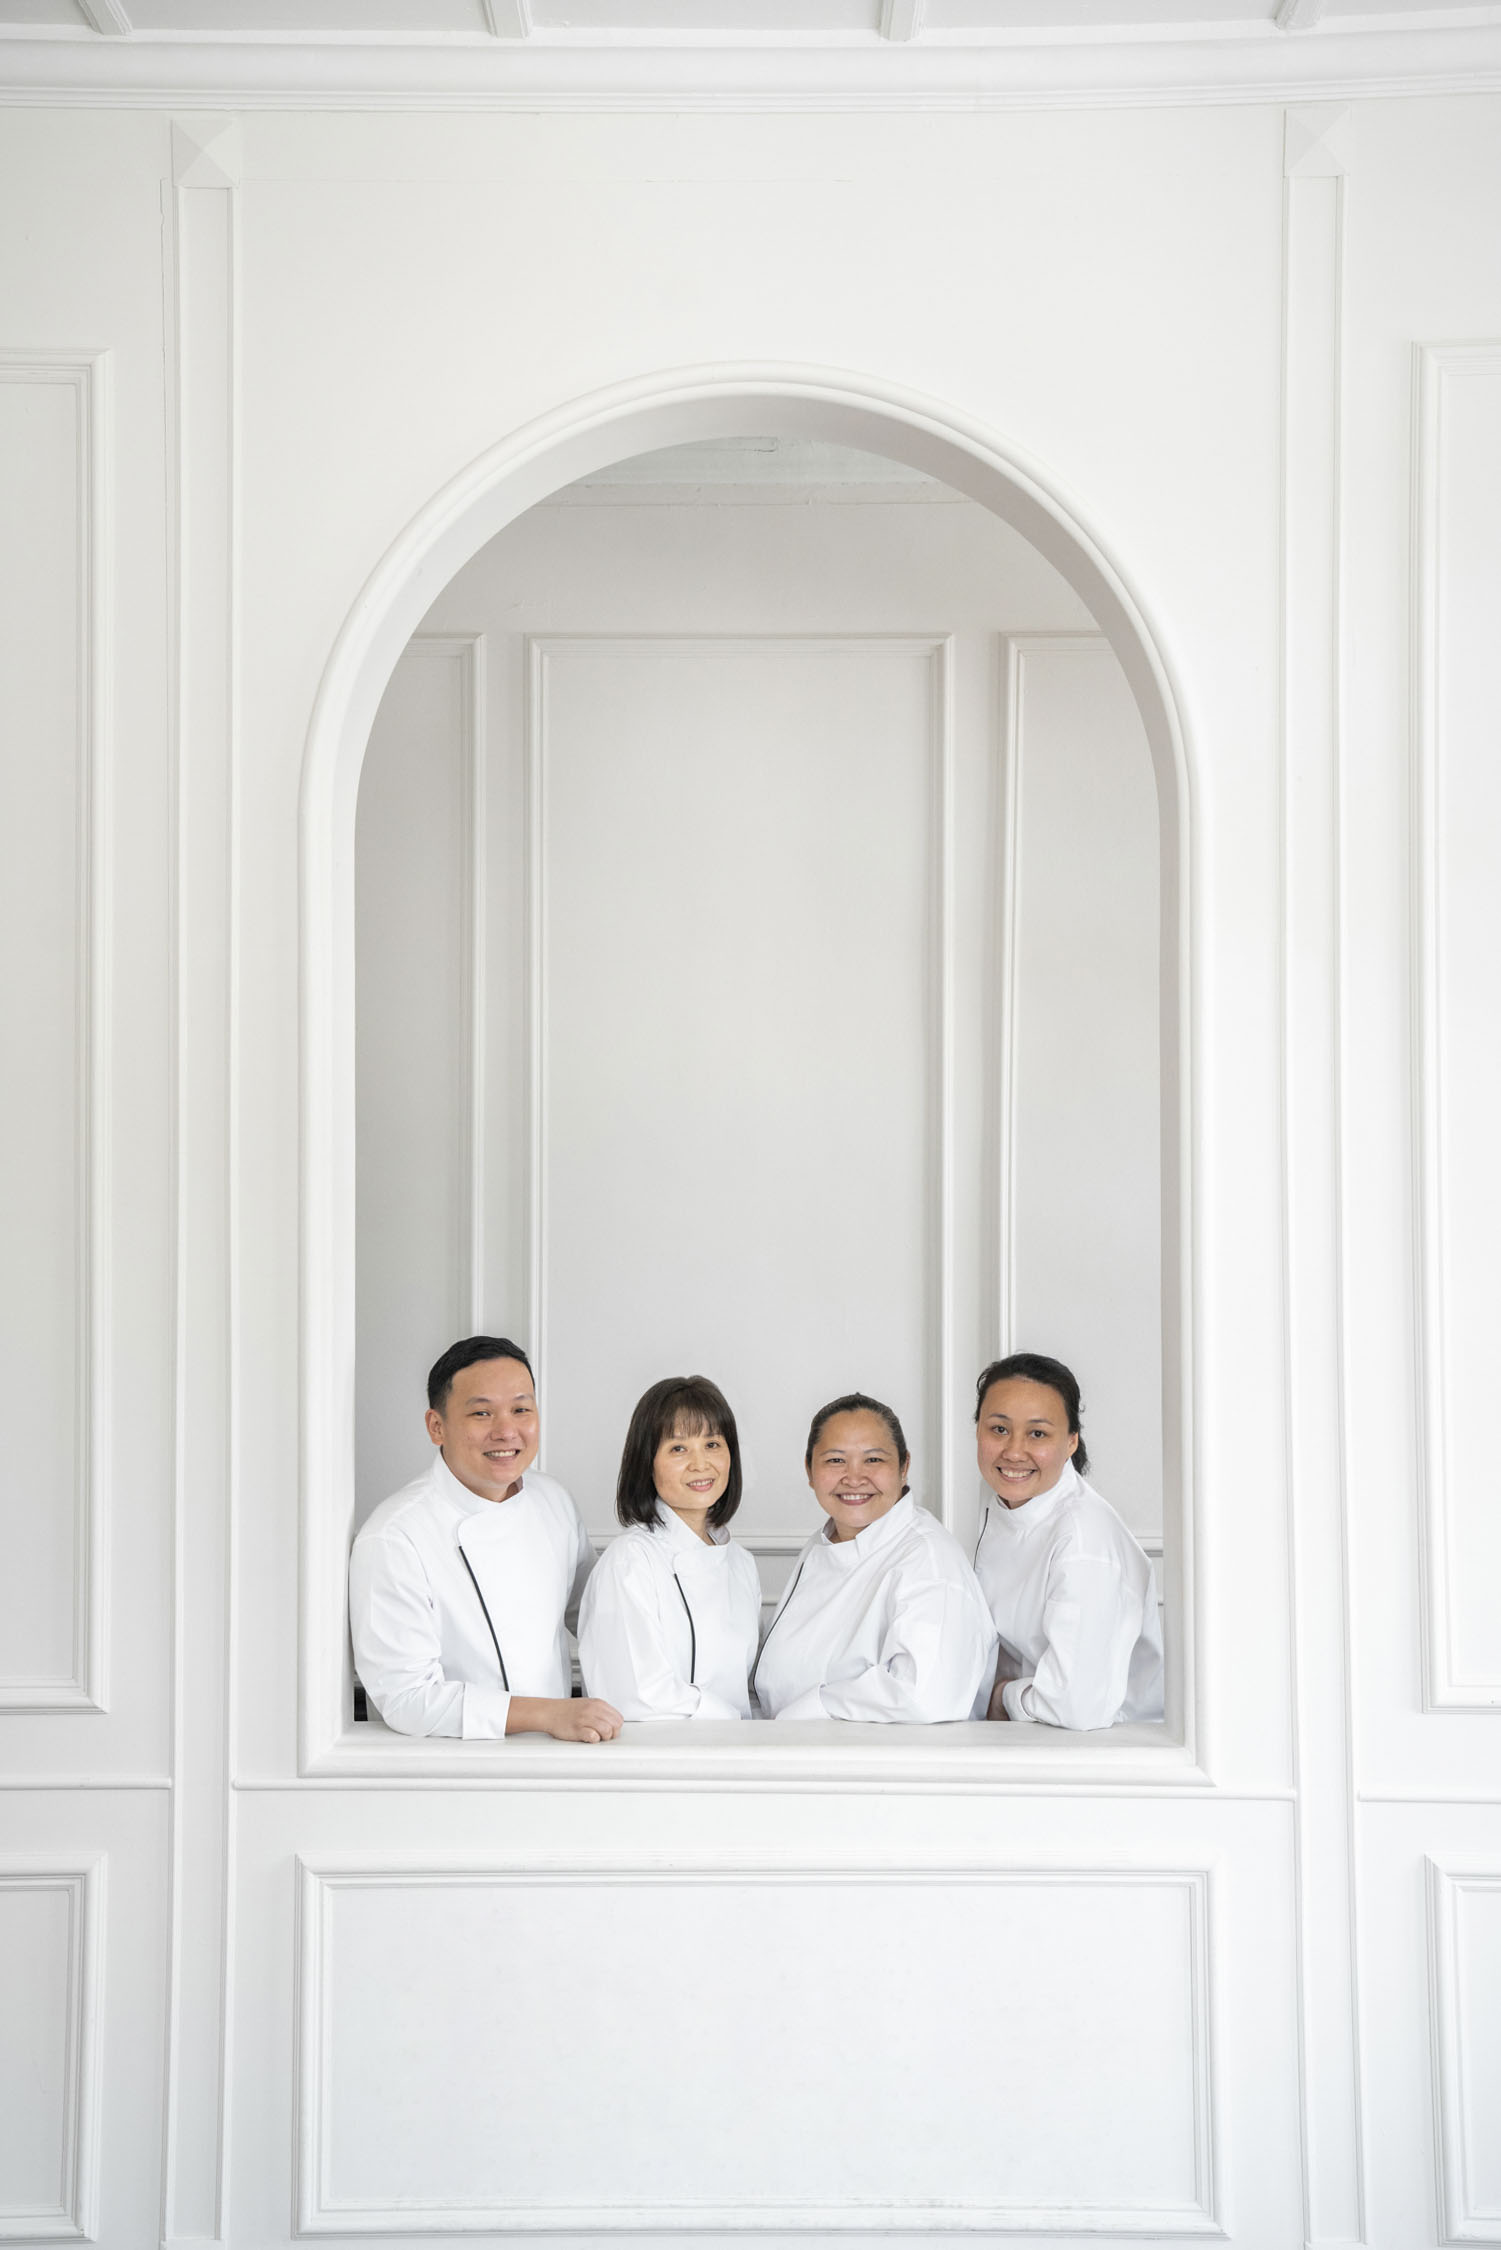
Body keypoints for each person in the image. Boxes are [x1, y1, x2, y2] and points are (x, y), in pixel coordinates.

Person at [348, 1335, 622, 1742]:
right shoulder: (394, 1536)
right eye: (481, 1413)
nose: (506, 1430)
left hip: (556, 1756)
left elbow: (591, 1615)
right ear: (436, 1426)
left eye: (521, 1409)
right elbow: (407, 1699)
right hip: (452, 1770)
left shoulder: (554, 1501)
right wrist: (549, 1714)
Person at [752, 1392, 996, 1723]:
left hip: (883, 1770)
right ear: (809, 1470)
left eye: (873, 1460)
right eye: (835, 1460)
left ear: (904, 1466)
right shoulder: (822, 1545)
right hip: (795, 1756)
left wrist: (809, 1709)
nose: (854, 1477)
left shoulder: (928, 1560)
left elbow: (925, 1696)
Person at [971, 1351, 1164, 1729]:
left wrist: (1000, 1695)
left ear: (1072, 1441)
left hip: (1106, 1751)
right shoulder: (1006, 1502)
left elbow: (1075, 1707)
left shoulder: (1083, 1540)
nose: (1013, 1451)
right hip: (1026, 1736)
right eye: (999, 1429)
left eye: (1038, 1433)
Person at [577, 1375, 762, 1721]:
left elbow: (748, 1688)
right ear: (646, 1462)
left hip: (736, 1760)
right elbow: (636, 1698)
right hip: (659, 1765)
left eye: (712, 1444)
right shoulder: (630, 1561)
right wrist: (735, 1724)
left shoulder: (742, 1564)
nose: (700, 1464)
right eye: (678, 1449)